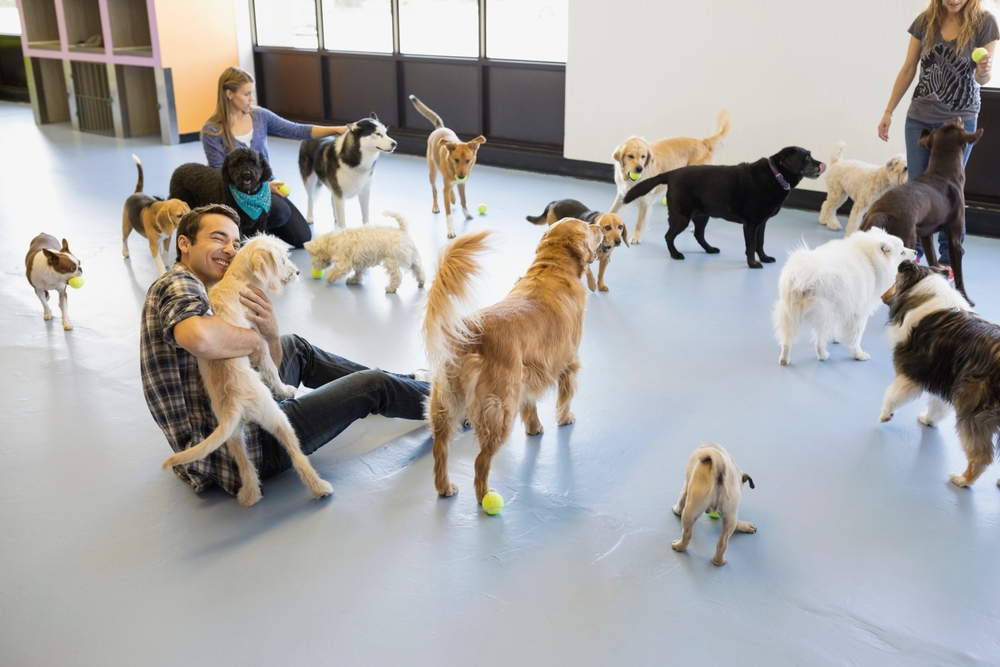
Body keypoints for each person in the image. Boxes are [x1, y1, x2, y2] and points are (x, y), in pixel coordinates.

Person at [140, 204, 430, 499]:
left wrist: (269, 335)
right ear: (184, 243)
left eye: (236, 243)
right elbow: (197, 338)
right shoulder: (177, 282)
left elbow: (265, 372)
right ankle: (453, 404)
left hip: (246, 405)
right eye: (218, 238)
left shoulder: (215, 290)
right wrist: (255, 342)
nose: (230, 250)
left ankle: (409, 382)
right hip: (246, 445)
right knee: (373, 384)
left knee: (295, 346)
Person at [878, 0, 998, 266]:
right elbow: (909, 68)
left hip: (959, 124)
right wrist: (889, 110)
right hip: (920, 119)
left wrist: (984, 70)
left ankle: (949, 260)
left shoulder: (985, 23)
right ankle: (913, 258)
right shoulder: (925, 21)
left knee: (949, 192)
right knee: (917, 193)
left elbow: (982, 80)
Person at [201, 67, 348, 249]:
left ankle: (253, 229)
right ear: (229, 94)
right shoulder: (212, 130)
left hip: (263, 187)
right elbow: (218, 171)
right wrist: (264, 185)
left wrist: (336, 129)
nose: (251, 99)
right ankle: (244, 232)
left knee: (302, 236)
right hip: (235, 194)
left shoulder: (259, 116)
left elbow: (296, 130)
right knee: (280, 211)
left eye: (251, 93)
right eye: (246, 94)